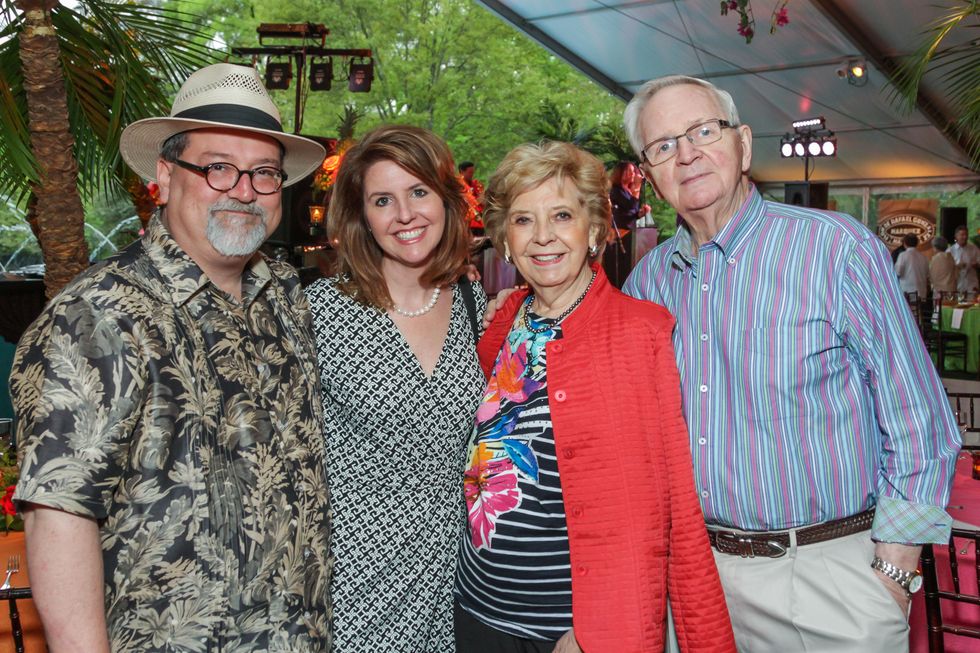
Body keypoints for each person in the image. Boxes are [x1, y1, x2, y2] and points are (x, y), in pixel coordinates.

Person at [621, 74, 960, 652]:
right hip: (694, 584)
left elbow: (919, 420)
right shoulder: (648, 283)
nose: (687, 153)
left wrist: (893, 574)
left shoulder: (836, 249)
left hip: (828, 580)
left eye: (703, 131)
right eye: (663, 145)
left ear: (743, 143)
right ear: (649, 175)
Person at [9, 63, 333, 651]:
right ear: (164, 174)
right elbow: (58, 513)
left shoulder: (284, 294)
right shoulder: (98, 315)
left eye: (264, 173)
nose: (243, 190)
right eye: (218, 167)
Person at [455, 140, 735, 653]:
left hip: (567, 630)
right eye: (523, 220)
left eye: (562, 215)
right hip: (477, 611)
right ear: (505, 240)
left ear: (593, 230)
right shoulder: (503, 323)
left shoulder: (640, 331)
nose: (543, 236)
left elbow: (663, 507)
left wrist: (597, 630)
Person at [304, 124, 486, 652]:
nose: (405, 214)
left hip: (455, 578)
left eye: (418, 191)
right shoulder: (322, 311)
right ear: (362, 216)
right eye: (383, 200)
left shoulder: (475, 306)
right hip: (352, 582)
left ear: (446, 199)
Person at [604, 161, 650, 288]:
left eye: (633, 171)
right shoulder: (615, 190)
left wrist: (639, 214)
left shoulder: (627, 191)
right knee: (618, 270)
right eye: (628, 171)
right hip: (618, 236)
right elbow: (630, 205)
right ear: (620, 173)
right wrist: (637, 188)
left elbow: (629, 213)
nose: (632, 174)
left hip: (629, 234)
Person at [895, 233, 929, 300]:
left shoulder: (903, 255)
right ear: (917, 243)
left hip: (907, 293)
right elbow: (927, 275)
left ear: (904, 243)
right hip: (921, 293)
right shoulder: (924, 257)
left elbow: (898, 272)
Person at [950, 224, 980, 292]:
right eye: (962, 235)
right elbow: (946, 268)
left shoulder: (974, 248)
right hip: (957, 284)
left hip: (971, 283)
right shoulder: (951, 251)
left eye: (966, 234)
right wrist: (957, 266)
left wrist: (976, 265)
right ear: (956, 236)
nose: (965, 237)